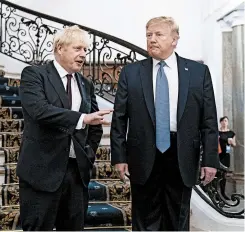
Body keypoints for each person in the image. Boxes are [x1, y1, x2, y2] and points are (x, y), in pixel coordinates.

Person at [110, 16, 219, 231]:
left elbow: (208, 120)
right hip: (143, 155)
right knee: (144, 220)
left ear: (175, 39)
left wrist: (210, 160)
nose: (152, 39)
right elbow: (119, 119)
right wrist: (119, 157)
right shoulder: (131, 73)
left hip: (181, 155)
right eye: (149, 35)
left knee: (177, 220)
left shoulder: (198, 73)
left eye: (158, 34)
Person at [16, 25, 112, 231]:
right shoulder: (34, 75)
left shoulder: (86, 84)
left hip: (76, 174)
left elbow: (94, 127)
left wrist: (87, 154)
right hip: (41, 171)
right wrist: (82, 118)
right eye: (78, 49)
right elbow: (39, 111)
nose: (83, 55)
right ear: (60, 48)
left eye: (85, 50)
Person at [218, 116, 236, 199]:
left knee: (224, 174)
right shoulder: (217, 132)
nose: (224, 122)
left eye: (226, 121)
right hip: (218, 154)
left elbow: (234, 145)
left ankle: (223, 193)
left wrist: (232, 142)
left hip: (226, 155)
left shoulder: (231, 133)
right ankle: (216, 193)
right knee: (217, 173)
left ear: (228, 122)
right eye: (223, 121)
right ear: (220, 122)